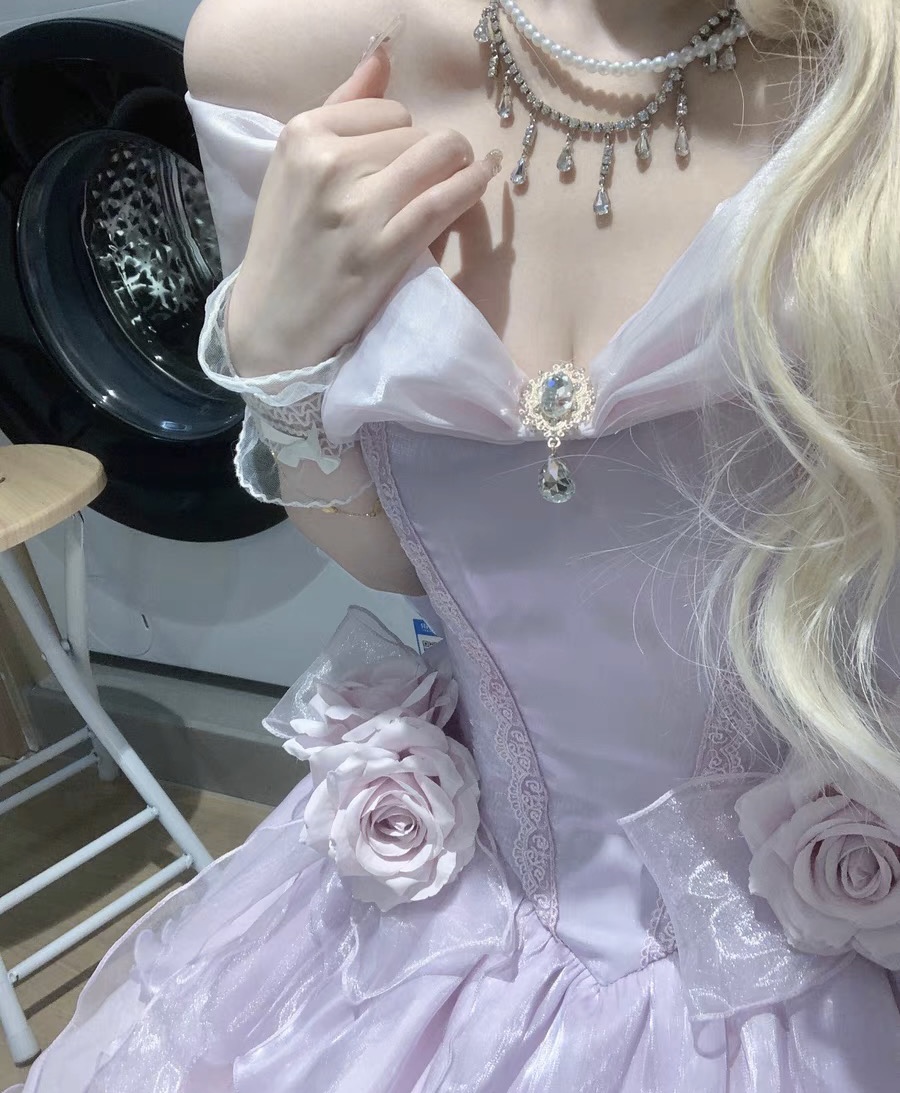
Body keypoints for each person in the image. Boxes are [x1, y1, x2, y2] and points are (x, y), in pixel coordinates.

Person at [10, 0, 900, 1088]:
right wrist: (272, 350)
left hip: (834, 945)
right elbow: (393, 558)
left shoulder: (867, 65)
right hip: (468, 913)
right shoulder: (279, 51)